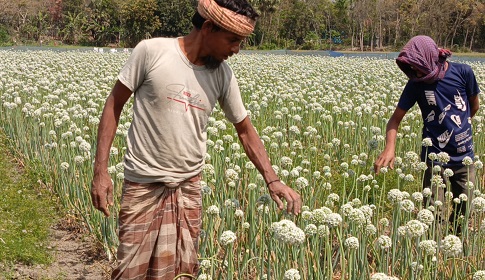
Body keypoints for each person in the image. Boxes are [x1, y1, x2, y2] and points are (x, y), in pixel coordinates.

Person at [90, 0, 302, 279]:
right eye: (233, 40)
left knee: (182, 272)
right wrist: (100, 171)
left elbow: (245, 130)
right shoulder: (152, 52)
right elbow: (113, 105)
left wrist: (272, 179)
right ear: (208, 28)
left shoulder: (223, 76)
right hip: (143, 184)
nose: (236, 50)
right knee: (130, 272)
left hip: (188, 188)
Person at [374, 35, 480, 232]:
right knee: (433, 215)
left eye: (417, 66)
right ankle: (434, 255)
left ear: (430, 58)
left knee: (464, 212)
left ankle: (459, 250)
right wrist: (390, 148)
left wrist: (459, 128)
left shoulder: (463, 72)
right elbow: (394, 120)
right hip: (433, 159)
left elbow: (473, 107)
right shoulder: (416, 84)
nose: (414, 71)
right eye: (411, 67)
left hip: (464, 156)